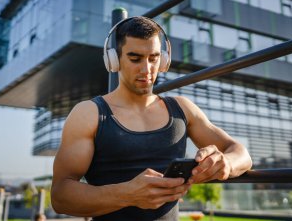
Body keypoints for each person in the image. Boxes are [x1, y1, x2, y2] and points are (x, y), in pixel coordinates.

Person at [51, 16, 252, 221]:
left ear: (164, 60)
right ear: (114, 60)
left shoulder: (182, 108)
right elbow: (60, 197)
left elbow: (241, 154)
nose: (146, 70)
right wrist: (127, 195)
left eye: (154, 58)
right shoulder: (89, 114)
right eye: (135, 58)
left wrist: (225, 163)